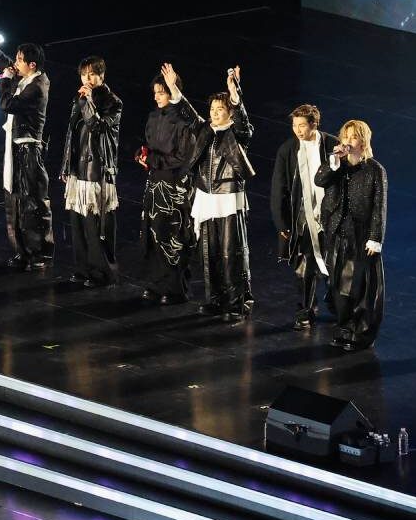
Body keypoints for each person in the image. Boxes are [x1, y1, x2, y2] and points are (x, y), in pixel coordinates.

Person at [176, 64, 254, 323]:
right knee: (209, 253)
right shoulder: (206, 131)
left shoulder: (236, 133)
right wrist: (175, 90)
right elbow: (188, 115)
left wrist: (235, 94)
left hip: (228, 198)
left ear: (229, 112)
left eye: (220, 109)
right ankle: (215, 299)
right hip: (206, 197)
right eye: (212, 109)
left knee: (231, 252)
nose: (214, 113)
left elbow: (243, 122)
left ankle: (236, 303)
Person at [0, 16, 52, 271]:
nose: (15, 63)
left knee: (33, 201)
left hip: (29, 149)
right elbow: (5, 63)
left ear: (32, 65)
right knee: (15, 200)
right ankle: (22, 251)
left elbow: (7, 104)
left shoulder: (37, 87)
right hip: (15, 146)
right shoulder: (25, 76)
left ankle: (40, 252)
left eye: (20, 60)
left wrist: (4, 81)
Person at [317, 119, 389, 351]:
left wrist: (375, 237)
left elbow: (380, 206)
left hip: (361, 234)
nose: (347, 142)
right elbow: (320, 180)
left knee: (360, 286)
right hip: (337, 231)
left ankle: (362, 333)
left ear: (363, 141)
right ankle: (345, 328)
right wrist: (334, 163)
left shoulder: (375, 170)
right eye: (345, 137)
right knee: (339, 284)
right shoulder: (338, 165)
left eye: (353, 137)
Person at [134, 68, 202, 304]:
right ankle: (156, 283)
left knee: (173, 235)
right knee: (154, 232)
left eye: (161, 92)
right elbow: (150, 145)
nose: (156, 97)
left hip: (174, 185)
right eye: (155, 93)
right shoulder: (154, 117)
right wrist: (143, 156)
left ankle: (175, 288)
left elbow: (185, 157)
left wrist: (154, 160)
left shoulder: (183, 122)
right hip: (155, 182)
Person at [57, 55, 124, 288]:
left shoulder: (113, 102)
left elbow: (97, 126)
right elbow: (71, 135)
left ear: (102, 76)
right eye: (84, 74)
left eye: (92, 74)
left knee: (96, 226)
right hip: (78, 171)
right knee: (77, 224)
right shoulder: (80, 98)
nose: (88, 78)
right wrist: (66, 166)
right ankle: (83, 268)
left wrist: (87, 102)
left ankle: (102, 272)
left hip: (97, 171)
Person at [270, 104, 336, 330]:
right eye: (294, 125)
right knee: (304, 266)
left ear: (314, 124)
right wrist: (282, 222)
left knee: (334, 263)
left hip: (329, 216)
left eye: (302, 125)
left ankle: (337, 304)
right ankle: (305, 310)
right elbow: (279, 188)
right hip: (302, 218)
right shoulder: (287, 150)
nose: (297, 130)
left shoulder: (331, 145)